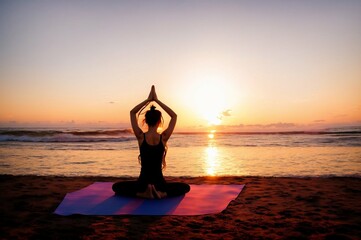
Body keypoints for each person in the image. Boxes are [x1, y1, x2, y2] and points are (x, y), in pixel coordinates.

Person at [112, 85, 190, 199]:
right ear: (159, 121)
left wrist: (148, 101)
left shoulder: (140, 136)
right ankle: (162, 194)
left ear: (145, 121)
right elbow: (174, 116)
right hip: (159, 183)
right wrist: (157, 101)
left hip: (142, 183)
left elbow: (132, 113)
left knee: (117, 187)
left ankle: (142, 193)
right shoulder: (163, 137)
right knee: (184, 187)